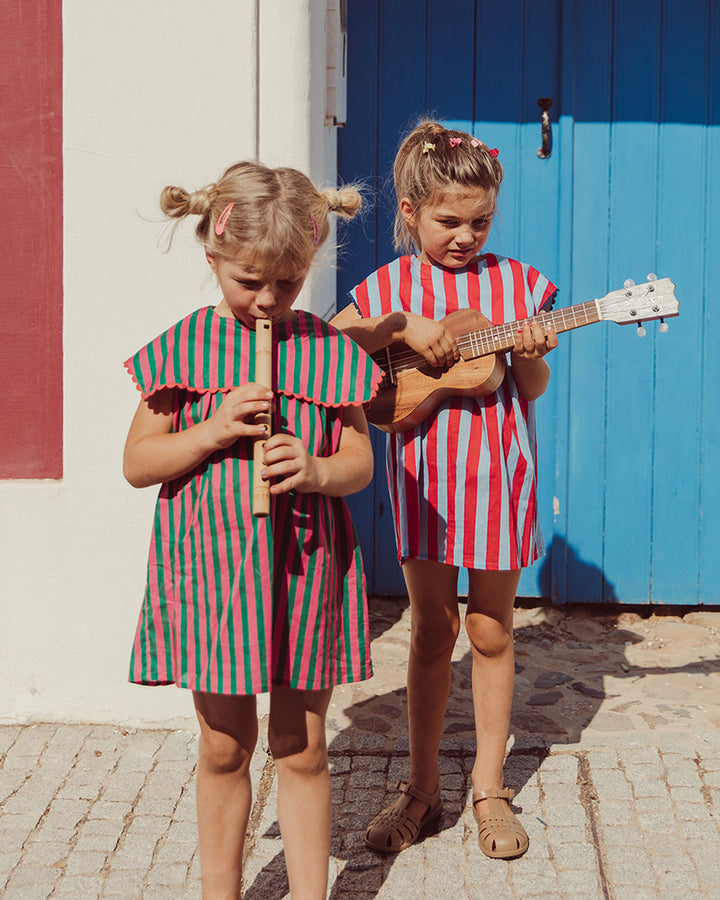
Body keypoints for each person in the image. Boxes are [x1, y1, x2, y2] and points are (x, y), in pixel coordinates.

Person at [123, 161, 382, 899]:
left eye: (287, 283)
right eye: (249, 282)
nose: (268, 299)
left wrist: (318, 469)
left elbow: (360, 460)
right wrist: (210, 430)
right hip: (210, 576)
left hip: (305, 571)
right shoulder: (182, 348)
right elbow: (139, 463)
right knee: (225, 747)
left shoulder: (330, 350)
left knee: (300, 748)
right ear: (213, 259)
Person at [331, 121, 558, 859]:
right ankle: (421, 790)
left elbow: (531, 386)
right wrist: (406, 325)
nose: (465, 236)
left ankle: (489, 789)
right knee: (433, 630)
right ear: (408, 210)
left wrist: (527, 353)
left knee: (491, 629)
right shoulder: (390, 287)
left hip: (499, 476)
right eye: (448, 221)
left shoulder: (519, 285)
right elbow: (338, 340)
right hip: (424, 479)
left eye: (480, 222)